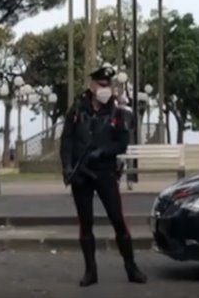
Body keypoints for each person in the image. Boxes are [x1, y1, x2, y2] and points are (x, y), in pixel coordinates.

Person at [60, 64, 147, 287]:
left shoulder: (118, 111)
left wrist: (103, 151)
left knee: (118, 220)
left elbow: (123, 143)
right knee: (85, 224)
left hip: (105, 171)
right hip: (81, 174)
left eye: (108, 85)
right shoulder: (78, 109)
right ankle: (90, 271)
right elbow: (67, 140)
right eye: (101, 84)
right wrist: (67, 167)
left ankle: (131, 267)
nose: (105, 88)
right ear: (92, 85)